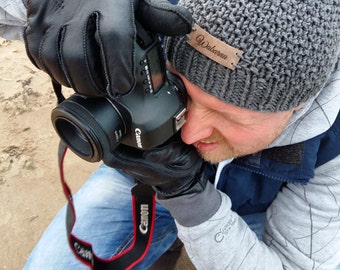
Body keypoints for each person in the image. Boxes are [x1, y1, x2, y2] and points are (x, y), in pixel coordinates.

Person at [1, 0, 340, 269]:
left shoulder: (333, 149)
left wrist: (189, 197)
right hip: (142, 170)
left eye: (225, 115)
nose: (189, 132)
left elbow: (292, 264)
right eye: (178, 88)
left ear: (297, 106)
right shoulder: (168, 15)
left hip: (254, 211)